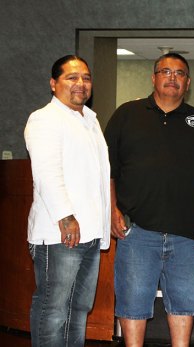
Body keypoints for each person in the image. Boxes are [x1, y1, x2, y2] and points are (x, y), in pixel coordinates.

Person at [105, 53, 194, 347]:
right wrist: (111, 209)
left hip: (187, 234)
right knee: (132, 304)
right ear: (154, 78)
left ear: (188, 82)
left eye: (180, 73)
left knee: (184, 305)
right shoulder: (127, 115)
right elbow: (107, 169)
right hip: (136, 232)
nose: (172, 78)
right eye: (165, 71)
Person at [24, 55, 111, 346]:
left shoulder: (90, 120)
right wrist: (66, 217)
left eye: (86, 78)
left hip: (89, 233)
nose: (81, 84)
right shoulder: (44, 118)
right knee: (53, 310)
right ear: (53, 84)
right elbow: (47, 173)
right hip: (60, 234)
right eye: (71, 77)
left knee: (78, 310)